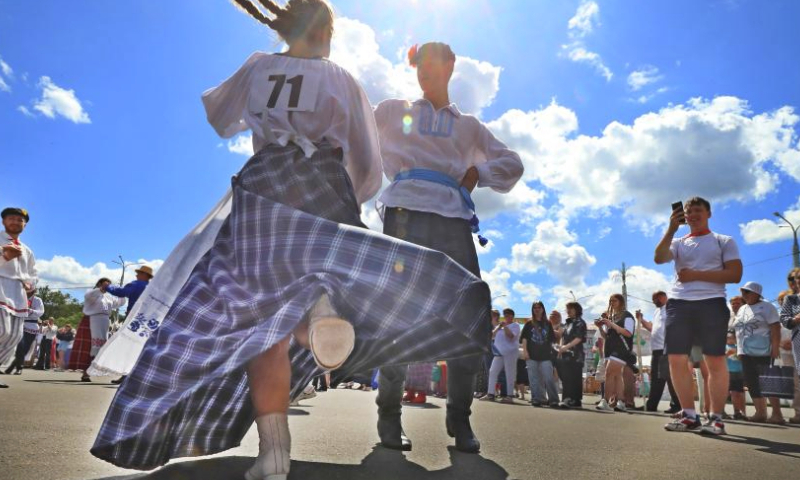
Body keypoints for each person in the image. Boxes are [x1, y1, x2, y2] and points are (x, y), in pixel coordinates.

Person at [90, 3, 490, 478]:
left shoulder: (259, 66)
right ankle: (318, 314)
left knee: (261, 323)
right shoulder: (339, 78)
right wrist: (353, 199)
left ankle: (273, 451)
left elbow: (220, 117)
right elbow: (365, 157)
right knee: (320, 272)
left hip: (264, 186)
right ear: (325, 32)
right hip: (322, 178)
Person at [372, 40, 523, 454]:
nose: (426, 70)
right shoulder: (392, 110)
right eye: (420, 64)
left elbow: (513, 164)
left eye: (434, 63)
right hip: (403, 212)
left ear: (451, 66)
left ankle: (459, 418)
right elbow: (354, 134)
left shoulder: (468, 125)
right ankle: (389, 414)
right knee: (396, 314)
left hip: (453, 219)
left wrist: (478, 170)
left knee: (466, 314)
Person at [655, 196, 742, 435]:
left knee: (713, 360)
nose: (692, 215)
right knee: (676, 359)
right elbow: (659, 257)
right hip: (678, 304)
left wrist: (695, 275)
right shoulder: (679, 241)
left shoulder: (723, 241)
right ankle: (689, 415)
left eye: (697, 210)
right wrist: (672, 228)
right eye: (688, 211)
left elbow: (735, 274)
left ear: (708, 214)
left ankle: (715, 418)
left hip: (711, 303)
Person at [732, 282, 783, 424]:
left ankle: (777, 414)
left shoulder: (767, 307)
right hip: (745, 351)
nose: (744, 295)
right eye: (743, 292)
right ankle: (760, 413)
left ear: (756, 293)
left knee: (769, 382)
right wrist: (739, 350)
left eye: (747, 292)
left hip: (764, 351)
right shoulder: (742, 309)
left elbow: (775, 327)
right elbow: (739, 329)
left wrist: (775, 348)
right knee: (752, 382)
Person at [0, 207, 37, 389]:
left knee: (14, 336)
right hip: (0, 287)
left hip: (17, 294)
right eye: (11, 218)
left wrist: (31, 285)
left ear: (24, 225)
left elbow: (32, 273)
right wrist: (4, 255)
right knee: (2, 330)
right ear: (4, 221)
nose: (15, 222)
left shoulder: (27, 250)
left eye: (19, 220)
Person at [637, 291, 680, 413]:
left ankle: (677, 405)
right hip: (656, 349)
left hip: (666, 348)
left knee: (670, 377)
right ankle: (652, 404)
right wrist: (641, 320)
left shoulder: (670, 308)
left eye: (655, 299)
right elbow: (652, 329)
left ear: (662, 297)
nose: (653, 301)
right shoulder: (657, 311)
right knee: (656, 379)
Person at [78, 278, 127, 382]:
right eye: (106, 284)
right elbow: (90, 296)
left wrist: (121, 292)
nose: (108, 286)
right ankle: (85, 372)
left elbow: (119, 303)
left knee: (100, 348)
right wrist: (101, 289)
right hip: (92, 320)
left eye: (109, 284)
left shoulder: (109, 296)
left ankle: (93, 370)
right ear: (99, 284)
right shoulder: (91, 292)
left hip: (104, 321)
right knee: (91, 347)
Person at [594, 294, 635, 412]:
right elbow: (606, 336)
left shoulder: (627, 316)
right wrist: (601, 327)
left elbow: (628, 333)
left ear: (621, 302)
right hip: (610, 349)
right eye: (610, 301)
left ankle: (605, 400)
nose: (612, 303)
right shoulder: (613, 317)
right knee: (616, 376)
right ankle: (621, 401)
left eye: (615, 300)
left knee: (609, 373)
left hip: (621, 348)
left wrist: (611, 324)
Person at [520, 302, 559, 407]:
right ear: (532, 310)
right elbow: (524, 338)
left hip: (546, 356)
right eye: (534, 308)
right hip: (531, 355)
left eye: (539, 307)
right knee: (533, 378)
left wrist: (556, 352)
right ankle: (536, 399)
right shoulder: (529, 323)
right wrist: (525, 351)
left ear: (543, 309)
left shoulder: (548, 323)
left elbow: (552, 340)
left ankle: (554, 400)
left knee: (548, 378)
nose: (537, 309)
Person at [480, 309, 522, 405]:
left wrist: (505, 327)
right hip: (499, 353)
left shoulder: (515, 325)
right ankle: (490, 394)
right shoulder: (500, 327)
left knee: (509, 373)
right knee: (492, 371)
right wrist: (498, 327)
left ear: (512, 316)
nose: (506, 316)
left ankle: (509, 396)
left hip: (510, 353)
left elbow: (511, 336)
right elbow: (491, 335)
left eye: (508, 315)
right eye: (505, 315)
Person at [553, 302, 588, 408]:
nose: (568, 311)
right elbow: (563, 337)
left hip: (576, 355)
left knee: (574, 377)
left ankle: (573, 400)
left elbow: (579, 338)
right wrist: (560, 347)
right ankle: (568, 399)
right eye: (567, 308)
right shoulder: (568, 323)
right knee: (566, 377)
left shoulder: (580, 322)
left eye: (571, 309)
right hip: (565, 354)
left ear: (577, 310)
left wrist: (566, 347)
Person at [4, 289, 44, 375]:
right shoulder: (19, 299)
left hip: (32, 326)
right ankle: (19, 367)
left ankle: (12, 367)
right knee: (20, 346)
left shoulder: (37, 300)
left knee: (25, 349)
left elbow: (40, 312)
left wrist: (30, 311)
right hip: (20, 324)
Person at [780, 269, 800, 424]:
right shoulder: (791, 299)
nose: (796, 280)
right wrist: (796, 319)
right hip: (794, 348)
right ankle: (798, 412)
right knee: (795, 381)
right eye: (795, 278)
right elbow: (785, 320)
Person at [724, 330, 746, 420]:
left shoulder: (739, 347)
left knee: (737, 393)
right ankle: (721, 411)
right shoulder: (724, 347)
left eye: (732, 338)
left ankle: (737, 411)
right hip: (728, 372)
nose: (730, 339)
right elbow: (721, 358)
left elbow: (742, 358)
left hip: (739, 372)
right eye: (728, 338)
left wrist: (739, 355)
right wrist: (726, 354)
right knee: (726, 392)